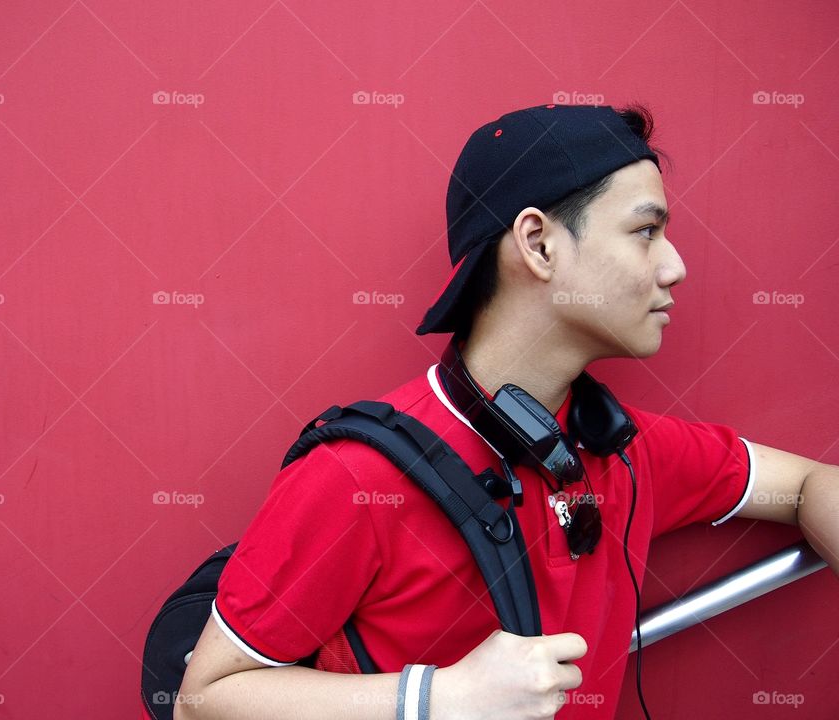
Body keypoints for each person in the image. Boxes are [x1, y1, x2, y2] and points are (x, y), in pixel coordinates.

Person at [172, 103, 839, 720]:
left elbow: (811, 485)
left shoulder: (628, 450)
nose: (675, 266)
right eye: (645, 231)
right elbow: (203, 698)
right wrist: (439, 697)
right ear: (539, 244)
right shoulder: (356, 476)